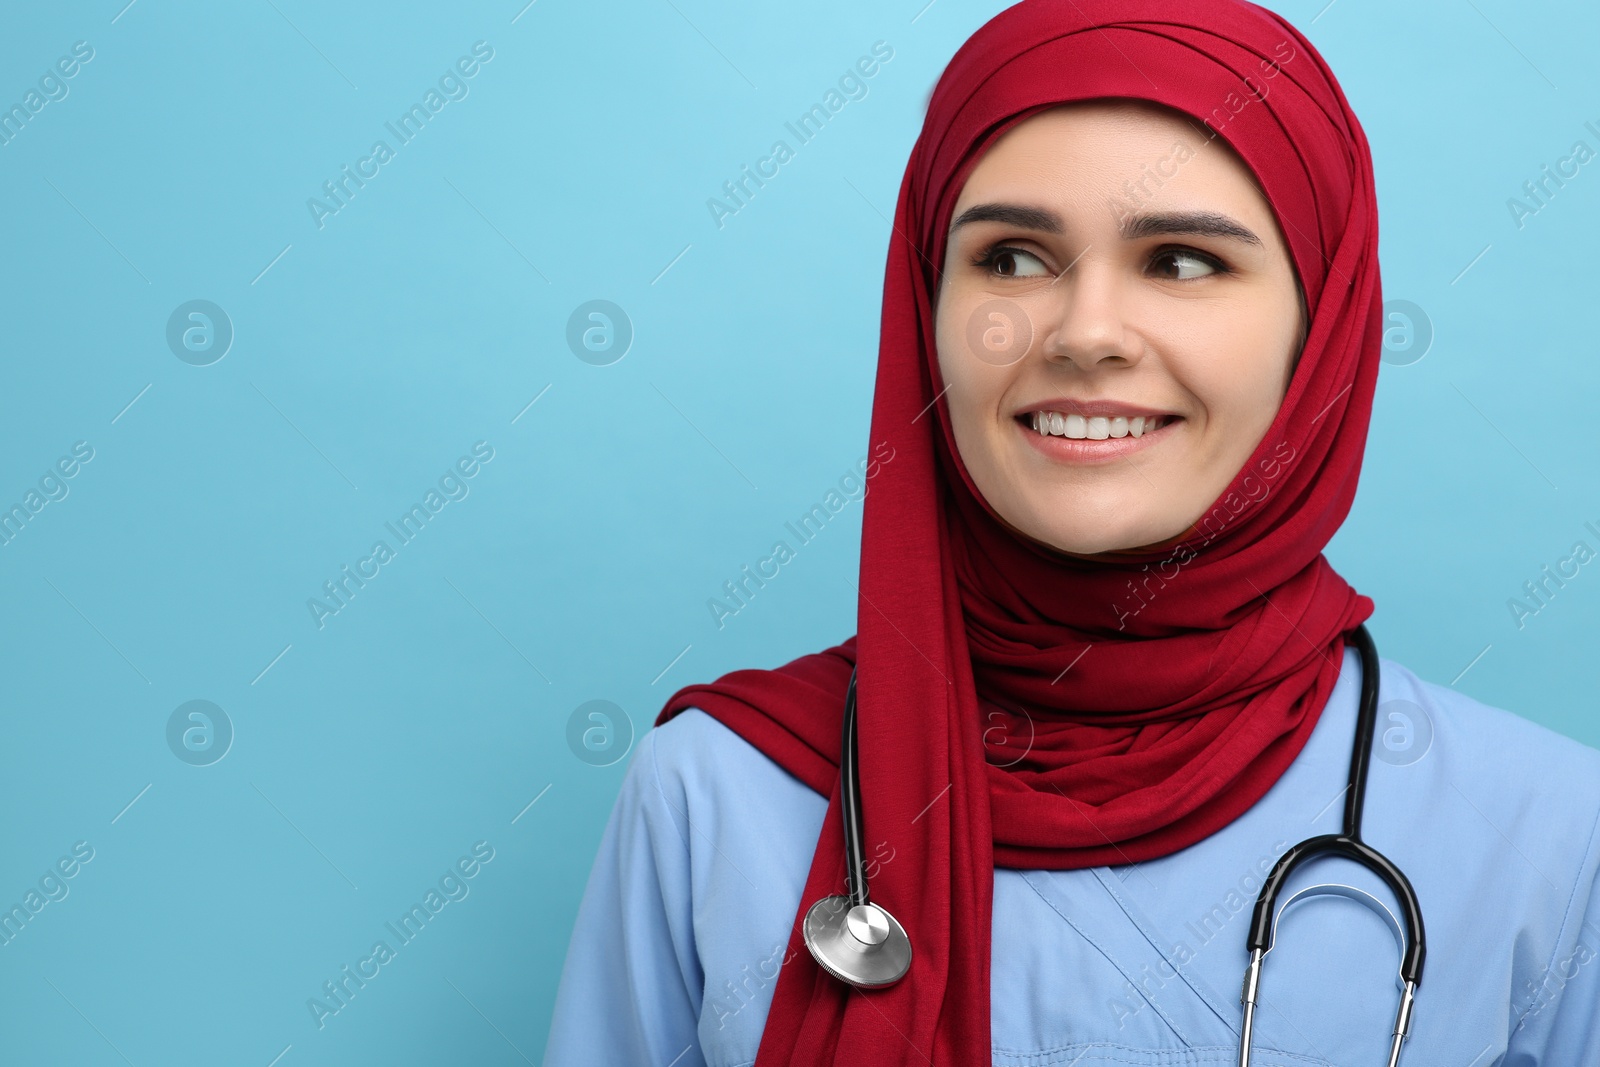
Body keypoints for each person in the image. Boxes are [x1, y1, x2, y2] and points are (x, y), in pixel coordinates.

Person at [542, 0, 1600, 1063]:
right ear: (926, 305)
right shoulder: (715, 794)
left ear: (1319, 329)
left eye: (1182, 261)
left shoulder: (1551, 837)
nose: (1084, 333)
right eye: (1008, 258)